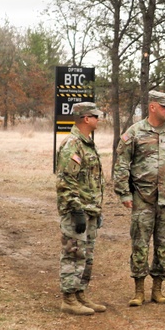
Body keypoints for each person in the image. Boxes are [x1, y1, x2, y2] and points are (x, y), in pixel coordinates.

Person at [113, 90, 165, 307]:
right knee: (140, 244)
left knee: (164, 244)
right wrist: (123, 192)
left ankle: (158, 289)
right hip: (142, 198)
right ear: (152, 107)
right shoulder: (135, 132)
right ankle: (138, 290)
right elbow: (122, 165)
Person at [55, 102, 107, 316]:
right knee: (73, 253)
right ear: (86, 118)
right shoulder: (73, 145)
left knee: (87, 255)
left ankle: (80, 294)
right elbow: (66, 182)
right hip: (77, 210)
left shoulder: (86, 144)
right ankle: (68, 298)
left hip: (90, 209)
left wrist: (96, 209)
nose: (99, 119)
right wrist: (76, 210)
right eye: (96, 116)